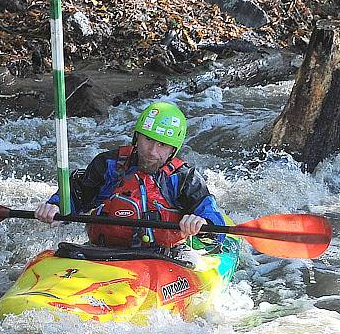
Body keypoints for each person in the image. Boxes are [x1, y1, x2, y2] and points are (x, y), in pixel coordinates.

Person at [35, 101, 225, 251]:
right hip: (104, 251)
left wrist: (203, 224)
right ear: (137, 137)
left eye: (162, 145)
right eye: (148, 139)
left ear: (172, 151)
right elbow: (76, 195)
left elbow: (212, 218)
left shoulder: (184, 178)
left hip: (165, 256)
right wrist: (56, 206)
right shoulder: (108, 165)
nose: (152, 151)